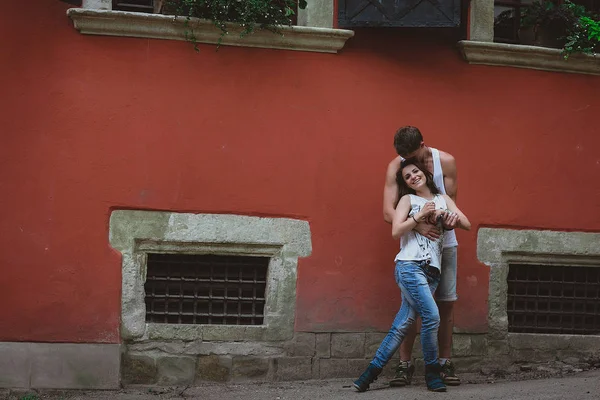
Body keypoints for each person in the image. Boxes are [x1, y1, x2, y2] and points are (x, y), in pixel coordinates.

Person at [353, 159, 470, 393]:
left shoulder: (443, 199)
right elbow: (396, 230)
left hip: (432, 272)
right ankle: (432, 373)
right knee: (432, 317)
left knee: (403, 324)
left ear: (425, 173)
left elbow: (466, 223)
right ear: (406, 184)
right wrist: (418, 217)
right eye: (407, 176)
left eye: (416, 171)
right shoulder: (408, 200)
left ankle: (368, 375)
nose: (413, 176)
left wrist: (451, 218)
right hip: (410, 266)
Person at [383, 126, 461, 386]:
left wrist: (444, 223)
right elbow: (388, 212)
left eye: (412, 156)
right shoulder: (397, 165)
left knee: (447, 303)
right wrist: (418, 224)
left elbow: (451, 207)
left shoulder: (446, 162)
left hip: (445, 244)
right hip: (414, 244)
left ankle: (444, 362)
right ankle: (405, 365)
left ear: (423, 145)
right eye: (404, 157)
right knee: (413, 305)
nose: (409, 163)